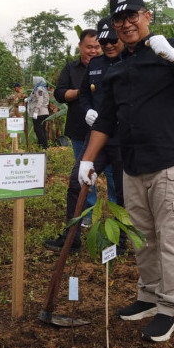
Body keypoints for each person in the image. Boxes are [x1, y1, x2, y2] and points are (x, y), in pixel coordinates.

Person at [78, 0, 174, 342]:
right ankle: (148, 297)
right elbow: (105, 120)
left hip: (171, 162)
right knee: (142, 238)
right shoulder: (117, 69)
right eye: (119, 19)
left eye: (132, 15)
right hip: (133, 165)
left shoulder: (171, 48)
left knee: (171, 239)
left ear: (146, 15)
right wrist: (87, 160)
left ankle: (170, 309)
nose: (126, 23)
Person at [44, 18, 126, 254]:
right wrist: (88, 109)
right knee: (76, 182)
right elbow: (84, 93)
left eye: (113, 41)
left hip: (121, 139)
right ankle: (72, 238)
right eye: (104, 41)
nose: (108, 46)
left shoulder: (130, 62)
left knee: (121, 189)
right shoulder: (96, 64)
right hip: (96, 136)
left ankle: (120, 242)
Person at [55, 29, 102, 210]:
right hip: (80, 129)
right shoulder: (70, 69)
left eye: (97, 47)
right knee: (84, 173)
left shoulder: (109, 65)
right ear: (80, 47)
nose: (93, 51)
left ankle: (118, 215)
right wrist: (82, 93)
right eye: (89, 47)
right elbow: (60, 93)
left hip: (107, 130)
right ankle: (87, 213)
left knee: (114, 174)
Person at [27, 77, 50, 149]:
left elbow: (40, 100)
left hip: (40, 113)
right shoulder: (44, 89)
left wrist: (36, 111)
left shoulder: (39, 89)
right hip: (44, 112)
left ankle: (43, 145)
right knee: (42, 129)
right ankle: (44, 145)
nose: (34, 83)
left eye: (34, 82)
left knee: (38, 129)